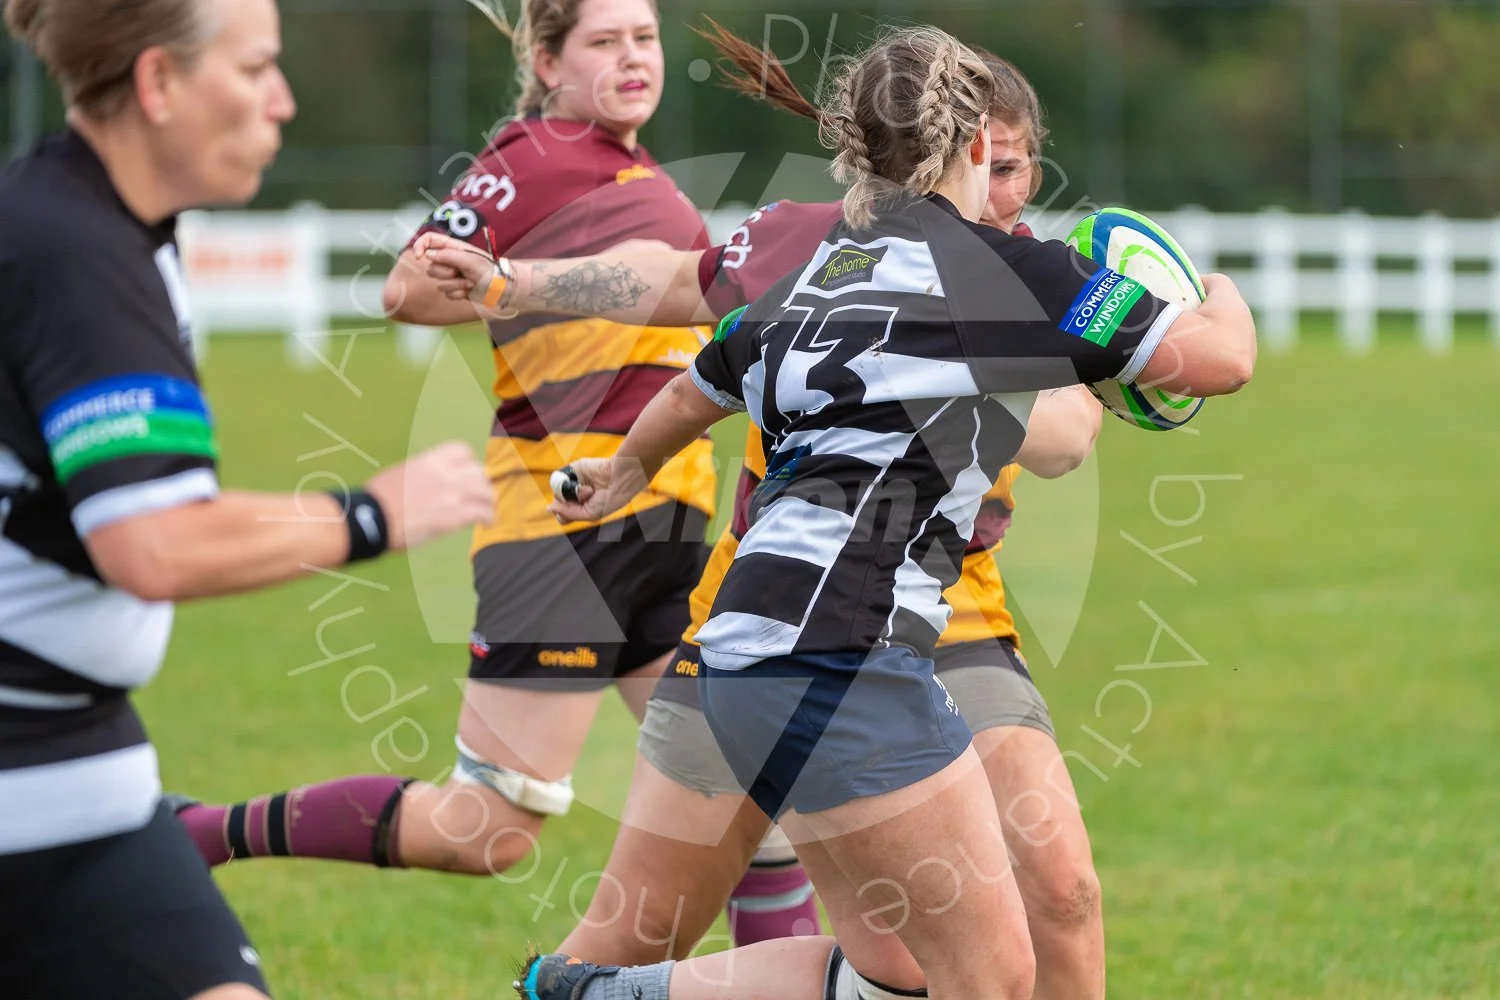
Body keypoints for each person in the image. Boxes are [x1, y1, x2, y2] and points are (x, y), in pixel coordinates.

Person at [514, 24, 1257, 1000]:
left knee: (890, 972)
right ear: (978, 145)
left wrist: (619, 471)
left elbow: (701, 380)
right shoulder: (1006, 273)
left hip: (744, 647)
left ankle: (595, 992)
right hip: (847, 652)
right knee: (989, 980)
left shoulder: (821, 271)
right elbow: (1221, 362)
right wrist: (1216, 293)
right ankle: (604, 994)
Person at [0, 1, 494, 998]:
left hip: (82, 775)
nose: (284, 101)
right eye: (257, 68)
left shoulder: (108, 232)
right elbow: (153, 541)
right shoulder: (74, 252)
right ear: (158, 85)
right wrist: (374, 515)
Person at [176, 0, 722, 884]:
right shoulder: (537, 157)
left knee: (743, 810)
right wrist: (532, 285)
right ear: (548, 63)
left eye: (646, 39)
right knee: (487, 829)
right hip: (564, 527)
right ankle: (201, 835)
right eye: (604, 41)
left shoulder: (632, 166)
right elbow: (407, 289)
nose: (633, 58)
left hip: (667, 519)